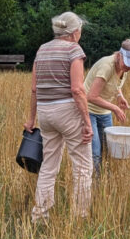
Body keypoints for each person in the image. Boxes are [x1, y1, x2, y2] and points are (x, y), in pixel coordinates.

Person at [24, 12, 93, 222]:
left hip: (45, 113)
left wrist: (31, 118)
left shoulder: (42, 50)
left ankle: (40, 215)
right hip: (67, 112)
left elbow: (35, 89)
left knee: (48, 165)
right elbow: (77, 90)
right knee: (82, 166)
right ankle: (79, 217)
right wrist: (87, 122)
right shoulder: (74, 50)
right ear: (74, 32)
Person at [84, 40, 130, 174]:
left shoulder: (124, 69)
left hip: (104, 111)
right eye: (127, 63)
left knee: (108, 150)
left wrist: (120, 96)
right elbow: (91, 96)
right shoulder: (107, 66)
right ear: (120, 55)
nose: (129, 68)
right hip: (88, 110)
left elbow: (115, 85)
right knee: (96, 151)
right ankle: (95, 185)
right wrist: (115, 108)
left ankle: (105, 183)